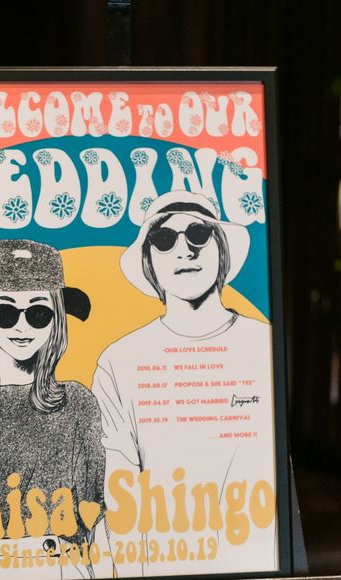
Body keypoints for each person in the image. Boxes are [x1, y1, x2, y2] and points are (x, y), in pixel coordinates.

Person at [92, 191, 277, 576]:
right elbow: (119, 495)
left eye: (198, 233)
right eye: (163, 239)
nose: (184, 250)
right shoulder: (119, 362)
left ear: (221, 248)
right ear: (149, 261)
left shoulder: (265, 345)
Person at [0, 239, 111, 580]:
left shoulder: (78, 403)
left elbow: (98, 514)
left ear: (56, 320)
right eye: (5, 313)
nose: (22, 326)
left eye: (38, 314)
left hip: (62, 565)